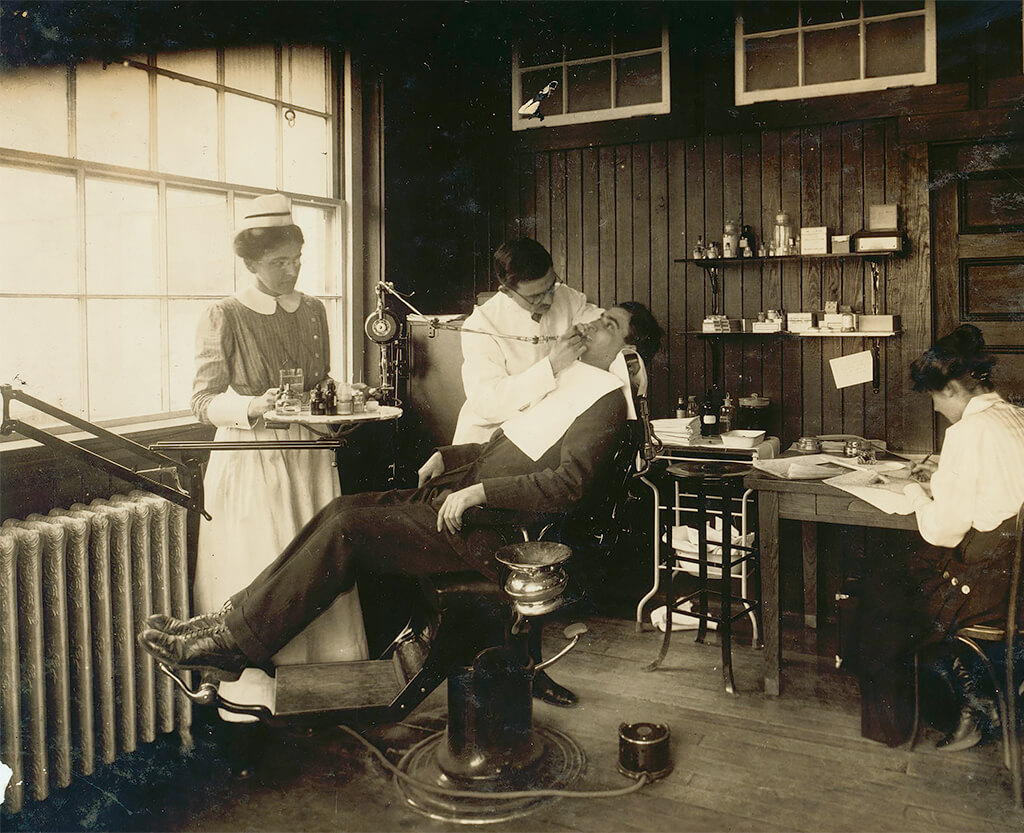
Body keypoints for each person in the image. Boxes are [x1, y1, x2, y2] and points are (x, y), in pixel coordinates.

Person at [141, 302, 663, 707]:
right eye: (597, 315)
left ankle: (234, 642)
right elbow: (508, 447)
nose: (591, 322)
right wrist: (449, 454)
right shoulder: (571, 380)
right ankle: (227, 625)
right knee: (340, 510)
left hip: (499, 532)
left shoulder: (606, 402)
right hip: (463, 498)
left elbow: (567, 486)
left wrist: (480, 491)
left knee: (348, 530)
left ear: (627, 352)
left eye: (608, 325)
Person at [190, 193, 368, 720]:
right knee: (261, 561)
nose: (290, 271)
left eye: (296, 260)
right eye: (278, 264)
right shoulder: (222, 315)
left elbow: (318, 387)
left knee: (319, 561)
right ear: (250, 263)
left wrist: (342, 401)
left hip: (309, 454)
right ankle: (247, 688)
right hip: (254, 458)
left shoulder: (312, 310)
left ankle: (326, 680)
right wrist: (253, 406)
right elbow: (203, 402)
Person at [853, 324, 1024, 750]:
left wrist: (915, 491)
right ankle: (969, 691)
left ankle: (957, 702)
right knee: (901, 577)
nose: (934, 408)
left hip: (990, 590)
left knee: (881, 587)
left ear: (949, 388)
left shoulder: (966, 433)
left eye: (933, 397)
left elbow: (943, 530)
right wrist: (944, 476)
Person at [453, 237, 604, 444]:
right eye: (535, 297)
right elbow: (488, 403)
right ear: (507, 291)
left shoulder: (568, 298)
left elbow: (601, 325)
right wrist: (551, 366)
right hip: (494, 435)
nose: (549, 300)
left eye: (551, 287)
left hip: (552, 426)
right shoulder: (481, 325)